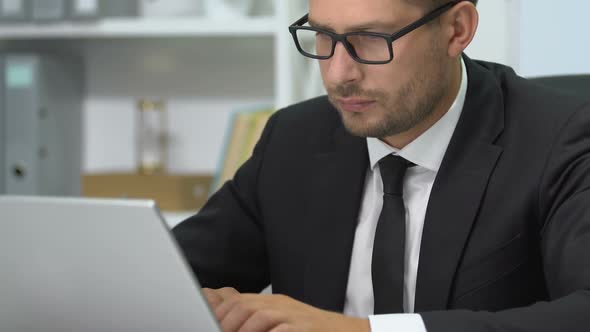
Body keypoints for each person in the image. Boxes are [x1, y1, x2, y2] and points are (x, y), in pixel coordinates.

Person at [173, 0, 590, 331]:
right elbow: (170, 273)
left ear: (457, 29)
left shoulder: (561, 139)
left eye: (371, 38)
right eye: (322, 36)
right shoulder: (294, 138)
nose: (339, 74)